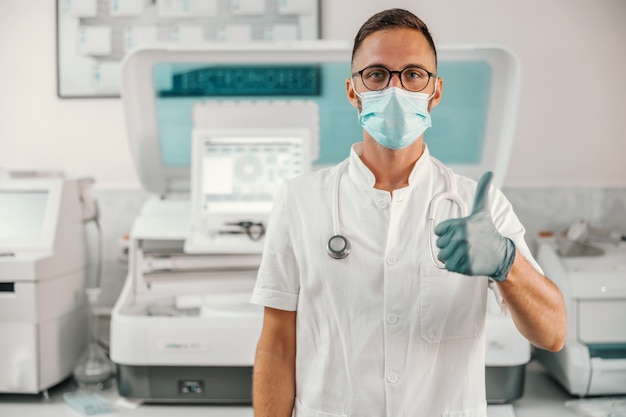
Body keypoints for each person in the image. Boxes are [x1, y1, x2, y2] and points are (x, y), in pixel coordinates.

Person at [250, 8, 567, 417]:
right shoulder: (299, 200)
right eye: (377, 74)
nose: (395, 89)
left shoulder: (477, 206)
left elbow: (553, 334)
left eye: (413, 74)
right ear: (353, 90)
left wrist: (507, 263)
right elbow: (277, 343)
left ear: (434, 92)